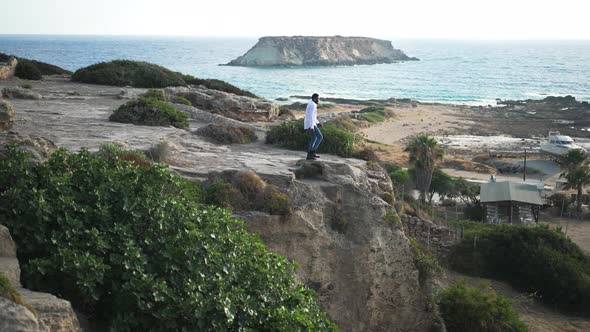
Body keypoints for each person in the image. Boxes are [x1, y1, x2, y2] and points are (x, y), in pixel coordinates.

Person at [304, 93, 323, 160]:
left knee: (314, 138)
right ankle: (311, 153)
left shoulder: (312, 104)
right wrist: (311, 127)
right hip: (311, 124)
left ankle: (311, 154)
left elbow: (313, 116)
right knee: (320, 137)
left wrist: (318, 123)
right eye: (318, 99)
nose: (319, 100)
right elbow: (310, 117)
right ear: (315, 98)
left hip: (311, 124)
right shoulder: (312, 105)